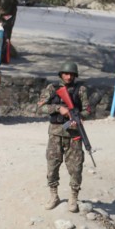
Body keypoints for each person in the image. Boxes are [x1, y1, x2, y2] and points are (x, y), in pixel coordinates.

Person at [37, 61, 92, 213]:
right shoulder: (52, 89)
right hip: (55, 134)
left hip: (74, 135)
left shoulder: (80, 90)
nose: (68, 77)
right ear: (61, 74)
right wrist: (58, 108)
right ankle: (53, 195)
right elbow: (40, 107)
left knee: (76, 168)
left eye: (71, 74)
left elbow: (88, 109)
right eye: (66, 74)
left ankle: (73, 197)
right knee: (52, 166)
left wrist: (80, 117)